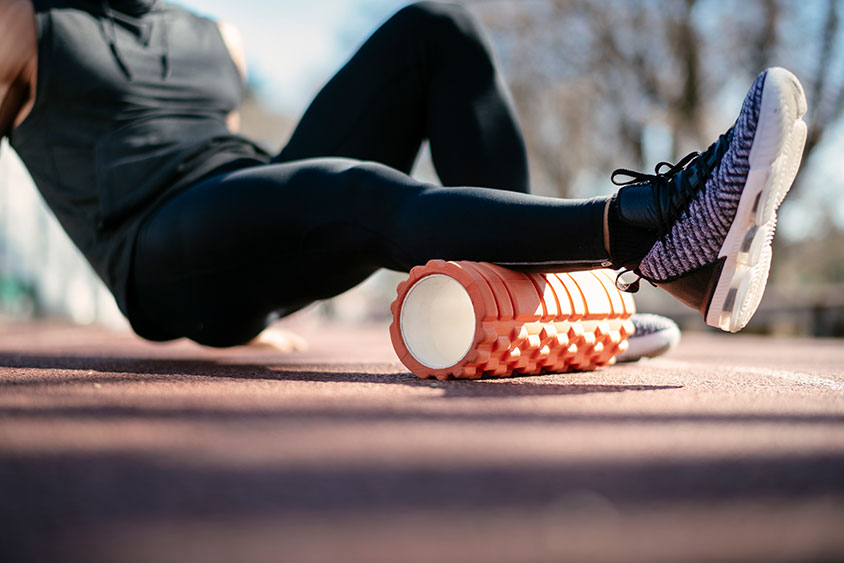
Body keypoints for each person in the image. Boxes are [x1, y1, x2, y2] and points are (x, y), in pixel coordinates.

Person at [0, 0, 807, 348]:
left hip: (241, 202)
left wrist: (262, 280)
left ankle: (555, 306)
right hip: (156, 245)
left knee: (435, 29)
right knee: (352, 189)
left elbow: (251, 183)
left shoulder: (215, 36)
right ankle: (648, 228)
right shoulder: (24, 26)